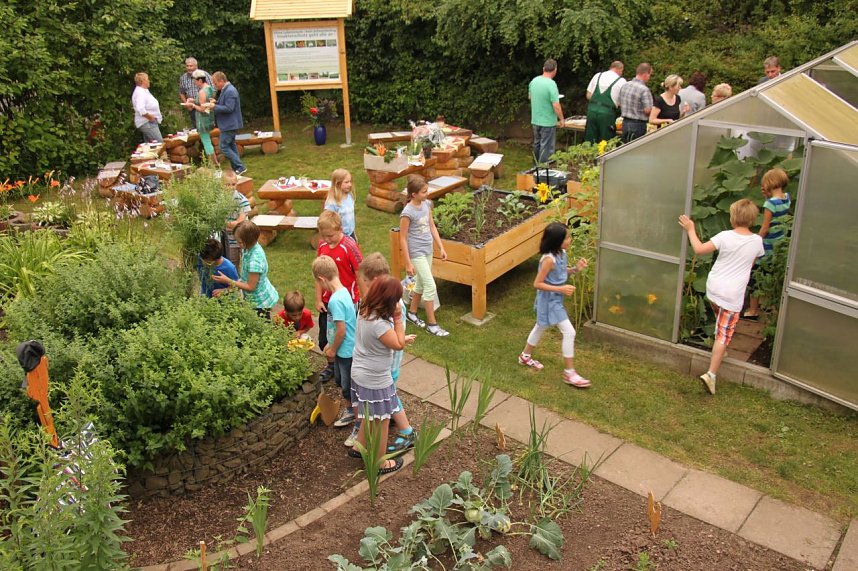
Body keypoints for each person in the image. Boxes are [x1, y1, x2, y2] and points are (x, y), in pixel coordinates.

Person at [678, 199, 764, 395]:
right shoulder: (757, 241)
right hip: (732, 294)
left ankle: (721, 349)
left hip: (714, 288)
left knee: (721, 320)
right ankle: (711, 374)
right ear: (752, 219)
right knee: (724, 334)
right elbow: (752, 261)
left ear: (733, 218)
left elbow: (699, 250)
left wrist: (691, 228)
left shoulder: (725, 236)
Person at [357, 253, 417, 455]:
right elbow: (395, 340)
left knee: (380, 404)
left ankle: (404, 432)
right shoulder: (383, 312)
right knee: (385, 406)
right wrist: (399, 326)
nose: (363, 285)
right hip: (381, 367)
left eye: (365, 282)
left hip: (375, 367)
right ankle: (381, 452)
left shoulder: (376, 307)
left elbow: (393, 340)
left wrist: (400, 337)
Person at [347, 275, 408, 475]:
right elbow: (398, 344)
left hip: (359, 373)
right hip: (375, 379)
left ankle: (359, 447)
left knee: (368, 412)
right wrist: (398, 319)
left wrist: (400, 336)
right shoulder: (381, 325)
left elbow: (386, 340)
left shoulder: (364, 311)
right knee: (382, 419)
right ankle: (380, 463)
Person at [518, 222, 591, 388]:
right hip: (549, 301)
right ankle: (569, 373)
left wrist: (575, 269)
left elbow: (560, 271)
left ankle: (525, 356)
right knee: (569, 332)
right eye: (567, 237)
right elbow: (537, 283)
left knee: (540, 326)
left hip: (555, 299)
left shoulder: (561, 253)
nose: (570, 239)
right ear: (557, 241)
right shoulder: (548, 260)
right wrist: (561, 288)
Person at [312, 255, 359, 446]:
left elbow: (341, 330)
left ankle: (359, 425)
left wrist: (332, 349)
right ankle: (349, 411)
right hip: (341, 351)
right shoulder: (343, 292)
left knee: (350, 388)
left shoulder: (335, 301)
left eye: (317, 282)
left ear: (322, 279)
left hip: (345, 351)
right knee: (340, 381)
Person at [314, 210, 363, 384]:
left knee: (346, 335)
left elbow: (360, 274)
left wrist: (363, 300)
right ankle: (332, 365)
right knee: (325, 337)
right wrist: (318, 298)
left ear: (340, 228)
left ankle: (348, 367)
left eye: (331, 235)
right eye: (324, 236)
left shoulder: (349, 246)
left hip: (346, 301)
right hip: (327, 301)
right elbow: (318, 274)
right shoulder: (322, 246)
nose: (327, 240)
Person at [400, 175, 449, 337]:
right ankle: (432, 324)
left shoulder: (427, 204)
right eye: (424, 192)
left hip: (428, 250)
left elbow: (432, 226)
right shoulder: (407, 212)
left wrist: (441, 247)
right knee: (430, 286)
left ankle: (412, 313)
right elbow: (403, 238)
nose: (427, 194)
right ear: (413, 194)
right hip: (416, 253)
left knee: (420, 283)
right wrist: (408, 263)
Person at [745, 168, 791, 318]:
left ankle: (752, 310)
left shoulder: (770, 205)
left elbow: (765, 228)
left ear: (769, 183)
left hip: (767, 247)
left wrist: (755, 241)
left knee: (755, 278)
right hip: (780, 245)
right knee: (774, 277)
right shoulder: (787, 198)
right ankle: (773, 308)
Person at [212, 220, 278, 318]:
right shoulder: (249, 248)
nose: (238, 244)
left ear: (247, 241)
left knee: (261, 326)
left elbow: (250, 287)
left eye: (239, 242)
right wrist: (226, 290)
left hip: (259, 302)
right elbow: (245, 279)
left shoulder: (254, 260)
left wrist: (228, 281)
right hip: (254, 298)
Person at [528, 58, 564, 164]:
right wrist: (561, 119)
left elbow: (530, 97)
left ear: (543, 68)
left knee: (537, 144)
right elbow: (556, 104)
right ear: (555, 70)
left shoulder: (534, 81)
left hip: (535, 119)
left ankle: (534, 167)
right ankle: (543, 169)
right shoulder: (551, 84)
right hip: (547, 121)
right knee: (546, 148)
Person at [211, 71, 247, 176]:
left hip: (230, 124)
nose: (215, 86)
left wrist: (214, 107)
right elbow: (225, 104)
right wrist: (216, 102)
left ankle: (240, 166)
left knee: (223, 146)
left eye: (215, 83)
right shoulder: (225, 89)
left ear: (222, 81)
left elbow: (229, 108)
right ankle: (237, 168)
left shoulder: (230, 91)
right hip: (228, 124)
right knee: (231, 145)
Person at [583, 61, 626, 144]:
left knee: (589, 141)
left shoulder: (597, 75)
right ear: (619, 69)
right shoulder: (621, 81)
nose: (621, 73)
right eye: (622, 71)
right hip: (607, 114)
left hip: (591, 111)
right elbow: (622, 102)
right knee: (605, 143)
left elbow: (588, 95)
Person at [183, 70, 219, 166]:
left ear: (200, 80)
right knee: (207, 140)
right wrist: (194, 100)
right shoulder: (210, 88)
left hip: (203, 120)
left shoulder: (202, 92)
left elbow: (202, 109)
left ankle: (214, 163)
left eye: (195, 80)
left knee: (206, 141)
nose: (194, 83)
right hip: (210, 118)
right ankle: (215, 162)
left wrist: (193, 105)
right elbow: (206, 102)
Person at [618, 63, 654, 143]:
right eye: (649, 75)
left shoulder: (625, 85)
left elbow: (619, 104)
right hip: (638, 125)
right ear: (645, 74)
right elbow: (648, 110)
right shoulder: (644, 89)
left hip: (625, 123)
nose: (649, 77)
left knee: (625, 148)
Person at [223, 171, 250, 266]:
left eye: (233, 184)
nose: (231, 187)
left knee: (247, 263)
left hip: (243, 237)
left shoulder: (242, 200)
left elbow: (240, 222)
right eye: (227, 185)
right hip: (229, 240)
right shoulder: (219, 200)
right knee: (232, 263)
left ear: (237, 183)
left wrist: (225, 224)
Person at [178, 57, 212, 127]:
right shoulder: (183, 78)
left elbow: (212, 89)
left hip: (205, 106)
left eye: (191, 66)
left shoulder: (204, 75)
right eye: (187, 66)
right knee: (197, 128)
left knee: (206, 128)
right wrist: (187, 104)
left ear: (196, 66)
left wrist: (209, 102)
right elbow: (181, 93)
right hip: (192, 108)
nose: (189, 68)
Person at [324, 169, 356, 241]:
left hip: (351, 234)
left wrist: (354, 233)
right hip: (339, 237)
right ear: (337, 184)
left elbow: (351, 217)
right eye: (346, 182)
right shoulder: (332, 202)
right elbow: (328, 222)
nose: (350, 184)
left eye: (350, 181)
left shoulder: (349, 196)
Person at [131, 72, 163, 143]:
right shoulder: (140, 92)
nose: (149, 81)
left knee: (150, 145)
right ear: (143, 81)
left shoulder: (144, 90)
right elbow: (140, 109)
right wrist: (149, 117)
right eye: (147, 79)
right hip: (146, 122)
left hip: (149, 122)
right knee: (159, 143)